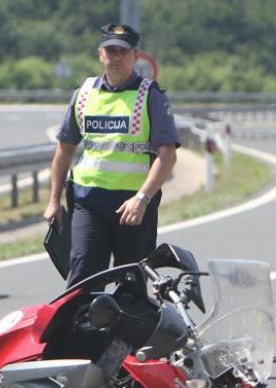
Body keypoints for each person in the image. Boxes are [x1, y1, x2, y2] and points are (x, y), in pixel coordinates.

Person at [43, 23, 179, 287]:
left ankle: (129, 328)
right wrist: (53, 200)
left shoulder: (150, 96)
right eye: (110, 51)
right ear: (100, 54)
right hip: (88, 200)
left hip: (133, 206)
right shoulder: (83, 94)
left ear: (134, 56)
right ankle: (80, 328)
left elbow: (168, 155)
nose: (116, 57)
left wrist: (142, 198)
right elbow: (65, 149)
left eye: (122, 52)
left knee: (132, 283)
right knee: (83, 276)